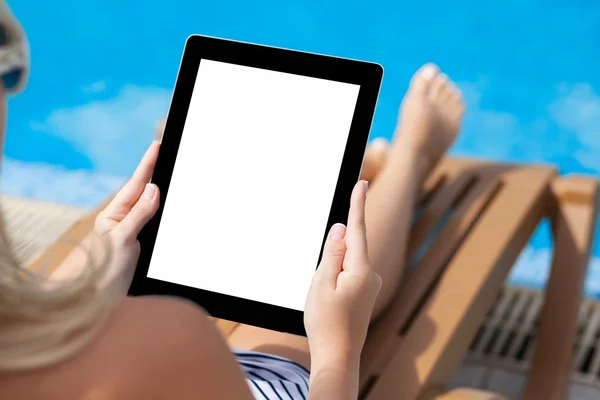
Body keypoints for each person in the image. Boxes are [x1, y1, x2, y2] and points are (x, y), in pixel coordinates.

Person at [0, 1, 465, 398]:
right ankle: (410, 157)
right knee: (308, 304)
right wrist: (338, 353)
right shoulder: (178, 339)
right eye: (8, 69)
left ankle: (351, 174)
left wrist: (84, 299)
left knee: (71, 282)